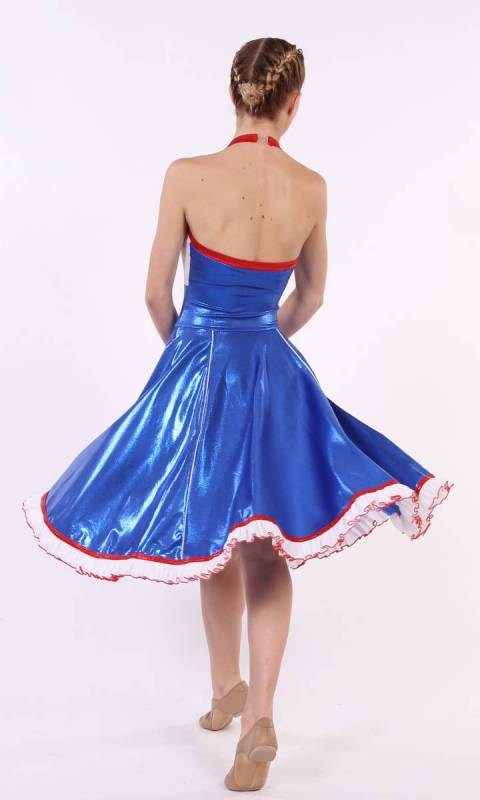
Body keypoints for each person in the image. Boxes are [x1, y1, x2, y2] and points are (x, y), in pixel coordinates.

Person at [22, 37, 453, 791]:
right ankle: (251, 711)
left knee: (209, 524)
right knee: (264, 542)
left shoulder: (186, 174)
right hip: (271, 368)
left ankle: (229, 689)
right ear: (294, 104)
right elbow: (312, 295)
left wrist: (186, 361)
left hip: (197, 359)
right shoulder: (311, 187)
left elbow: (155, 292)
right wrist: (265, 347)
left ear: (233, 94)